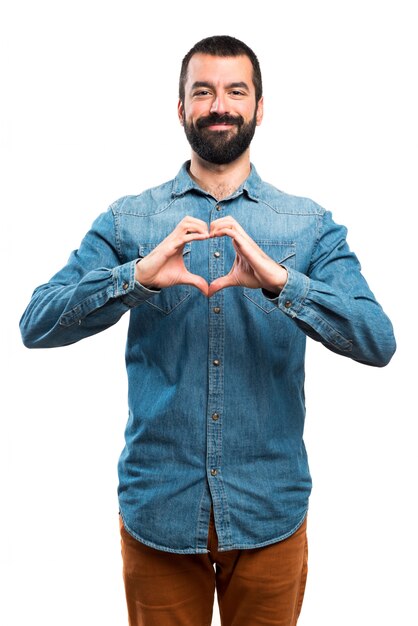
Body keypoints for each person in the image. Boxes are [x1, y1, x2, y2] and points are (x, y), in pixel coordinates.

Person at [20, 35, 396, 626]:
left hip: (270, 512)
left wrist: (281, 283)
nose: (219, 105)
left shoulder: (307, 225)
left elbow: (378, 341)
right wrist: (135, 277)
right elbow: (36, 323)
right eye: (203, 91)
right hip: (159, 513)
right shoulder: (130, 219)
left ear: (259, 106)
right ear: (181, 108)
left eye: (235, 91)